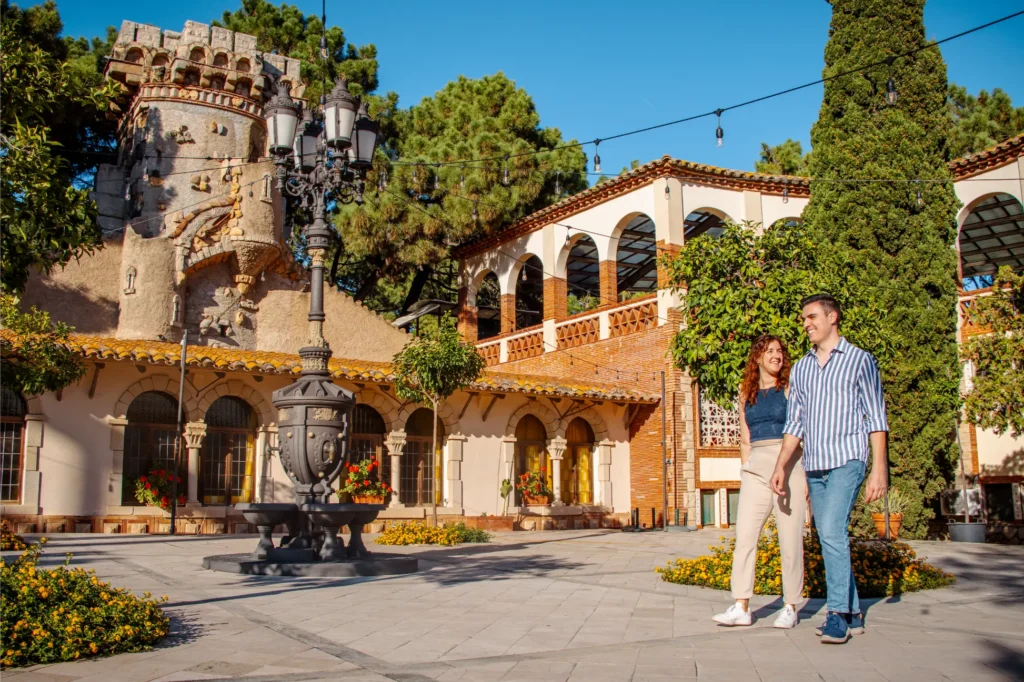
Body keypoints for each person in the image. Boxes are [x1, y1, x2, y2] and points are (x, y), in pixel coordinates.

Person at [770, 293, 889, 645]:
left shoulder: (860, 361)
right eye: (804, 318)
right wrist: (781, 465)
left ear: (832, 317)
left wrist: (878, 469)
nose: (806, 323)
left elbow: (877, 419)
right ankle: (852, 611)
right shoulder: (803, 367)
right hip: (815, 463)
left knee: (832, 532)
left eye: (811, 317)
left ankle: (836, 614)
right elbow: (795, 423)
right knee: (826, 534)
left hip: (848, 459)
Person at [713, 335, 807, 629]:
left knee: (790, 540)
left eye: (780, 351)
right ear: (757, 357)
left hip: (789, 464)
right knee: (745, 538)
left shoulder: (791, 389)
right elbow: (745, 438)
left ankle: (790, 605)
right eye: (770, 351)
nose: (777, 355)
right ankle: (741, 605)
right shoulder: (746, 393)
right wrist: (745, 469)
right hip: (756, 468)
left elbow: (802, 429)